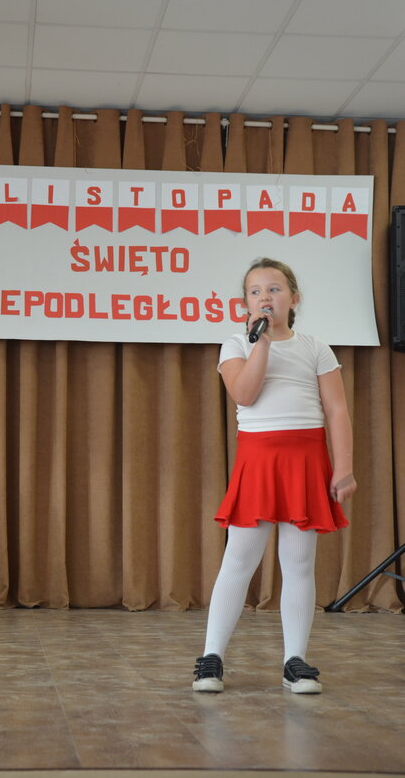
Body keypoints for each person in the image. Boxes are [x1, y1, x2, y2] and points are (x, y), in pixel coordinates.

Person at [193, 257, 356, 695]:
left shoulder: (316, 347)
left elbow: (337, 410)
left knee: (299, 563)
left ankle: (294, 661)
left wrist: (343, 468)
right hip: (259, 461)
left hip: (306, 461)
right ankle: (211, 659)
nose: (265, 297)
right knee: (239, 559)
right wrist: (260, 343)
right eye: (256, 291)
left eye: (275, 289)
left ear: (294, 298)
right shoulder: (236, 345)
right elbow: (244, 393)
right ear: (244, 304)